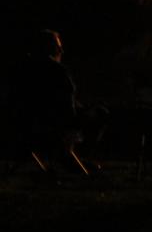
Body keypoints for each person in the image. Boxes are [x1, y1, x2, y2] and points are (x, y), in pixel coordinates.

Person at [5, 29, 97, 172]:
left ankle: (66, 156)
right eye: (58, 47)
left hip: (23, 123)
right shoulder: (58, 71)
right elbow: (66, 103)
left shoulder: (21, 69)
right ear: (48, 48)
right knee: (100, 114)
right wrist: (82, 113)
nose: (61, 51)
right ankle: (68, 156)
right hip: (52, 124)